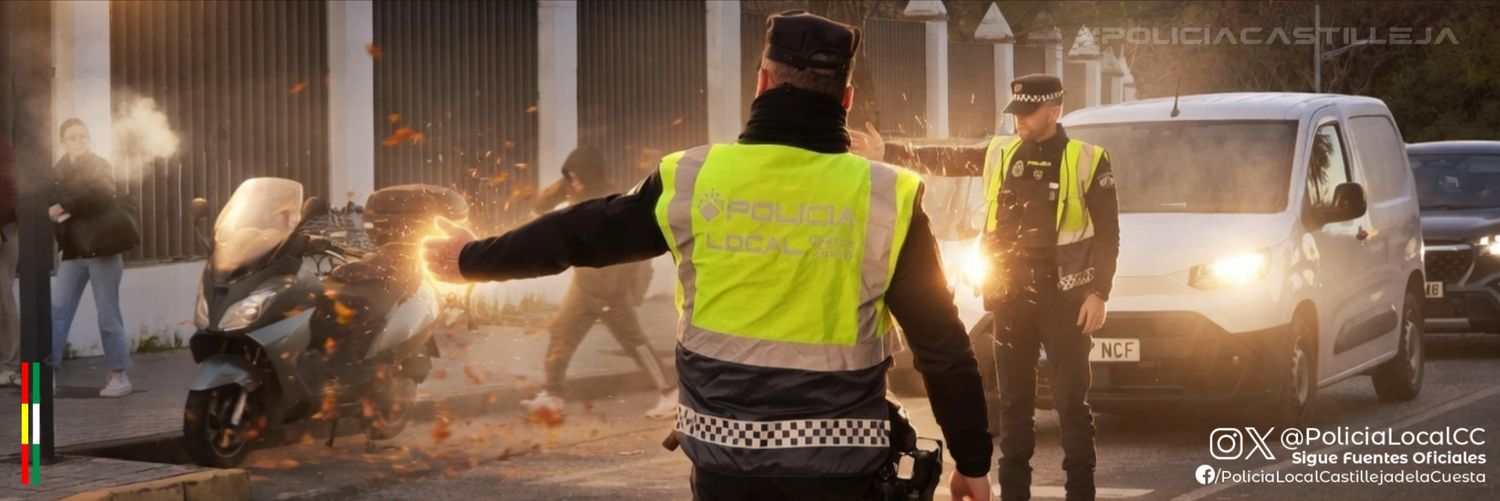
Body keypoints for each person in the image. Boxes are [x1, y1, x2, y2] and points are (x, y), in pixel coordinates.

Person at [424, 11, 992, 501]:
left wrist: (469, 259)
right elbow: (942, 346)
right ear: (845, 98)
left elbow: (581, 232)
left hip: (724, 462)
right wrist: (972, 462)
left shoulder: (695, 178)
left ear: (761, 82)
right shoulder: (884, 196)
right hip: (839, 469)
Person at [853, 74, 1119, 501]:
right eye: (1016, 112)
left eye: (1029, 113)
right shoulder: (1001, 151)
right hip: (1011, 299)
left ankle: (1080, 494)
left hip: (1065, 299)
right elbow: (949, 158)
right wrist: (890, 153)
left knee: (1071, 407)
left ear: (1055, 110)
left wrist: (1099, 293)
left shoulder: (1087, 159)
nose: (1021, 121)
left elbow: (1108, 234)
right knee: (1014, 408)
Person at [521, 146, 677, 420]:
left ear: (590, 177)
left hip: (609, 292)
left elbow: (630, 249)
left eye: (577, 177)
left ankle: (670, 393)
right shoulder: (575, 195)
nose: (574, 183)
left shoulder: (608, 201)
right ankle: (552, 395)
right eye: (570, 177)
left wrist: (620, 290)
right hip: (584, 286)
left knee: (635, 343)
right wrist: (561, 187)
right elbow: (539, 210)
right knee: (561, 334)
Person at [48, 118, 138, 398]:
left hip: (103, 250)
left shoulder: (100, 165)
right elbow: (51, 203)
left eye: (82, 136)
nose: (78, 140)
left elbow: (99, 193)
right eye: (72, 137)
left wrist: (66, 205)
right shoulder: (56, 171)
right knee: (57, 311)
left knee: (108, 314)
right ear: (63, 141)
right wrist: (71, 205)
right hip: (73, 252)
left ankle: (119, 376)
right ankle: (46, 374)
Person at [0, 139, 18, 386]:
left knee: (4, 296)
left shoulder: (2, 147)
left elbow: (11, 188)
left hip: (5, 229)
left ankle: (13, 365)